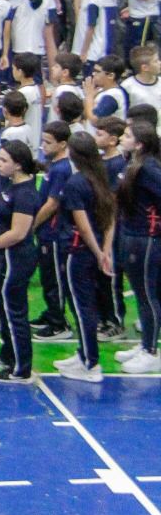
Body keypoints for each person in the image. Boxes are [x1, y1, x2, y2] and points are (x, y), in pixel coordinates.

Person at [54, 133, 117, 382]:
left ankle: (90, 363)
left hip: (78, 252)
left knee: (81, 308)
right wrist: (105, 251)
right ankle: (83, 354)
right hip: (95, 252)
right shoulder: (100, 178)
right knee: (88, 304)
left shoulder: (75, 183)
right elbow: (110, 217)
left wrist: (97, 250)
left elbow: (82, 224)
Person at [0, 139, 43, 383]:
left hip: (16, 258)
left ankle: (21, 368)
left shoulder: (26, 193)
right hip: (6, 258)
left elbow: (18, 232)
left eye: (4, 160)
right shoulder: (12, 186)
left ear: (18, 165)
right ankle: (8, 354)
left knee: (15, 312)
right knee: (5, 309)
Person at [115, 122, 161, 374]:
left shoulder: (149, 169)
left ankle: (151, 350)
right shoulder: (134, 164)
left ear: (140, 143)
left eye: (128, 135)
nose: (122, 137)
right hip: (132, 234)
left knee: (147, 295)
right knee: (141, 292)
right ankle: (145, 344)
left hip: (146, 239)